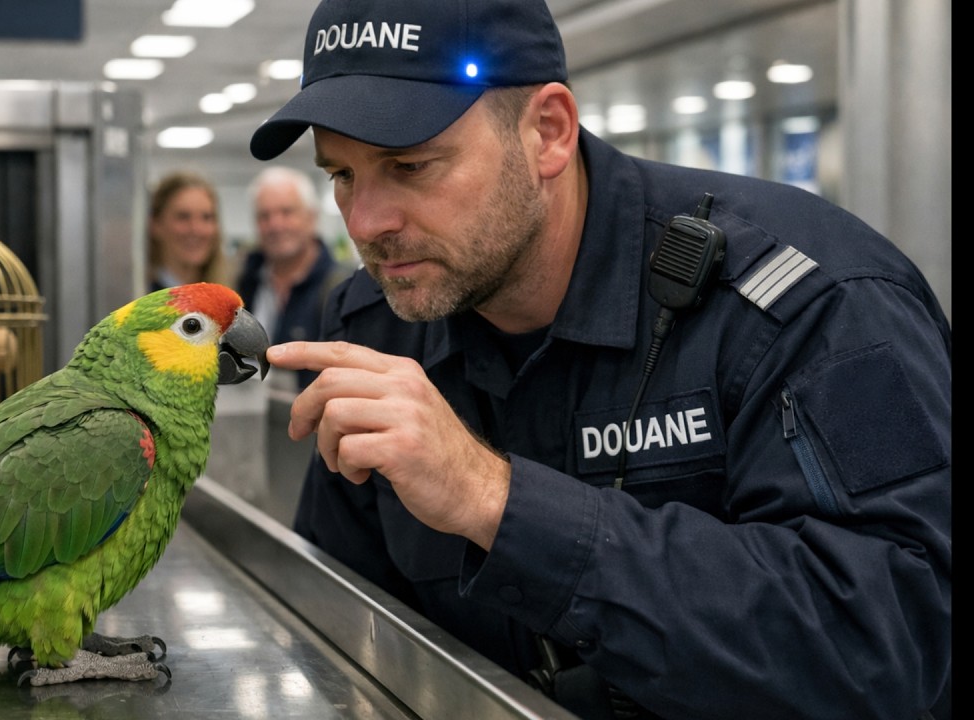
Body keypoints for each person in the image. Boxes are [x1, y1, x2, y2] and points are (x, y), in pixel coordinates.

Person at [249, 1, 952, 719]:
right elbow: (342, 631)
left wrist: (494, 500)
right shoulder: (377, 325)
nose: (367, 223)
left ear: (548, 132)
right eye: (342, 175)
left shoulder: (808, 302)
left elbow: (892, 642)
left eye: (411, 165)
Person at [236, 166, 354, 390]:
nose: (275, 225)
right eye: (264, 216)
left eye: (287, 212)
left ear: (311, 217)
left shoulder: (342, 289)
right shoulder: (245, 285)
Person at [145, 170, 233, 293]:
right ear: (156, 224)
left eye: (206, 217)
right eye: (183, 217)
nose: (196, 229)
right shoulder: (138, 294)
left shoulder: (224, 296)